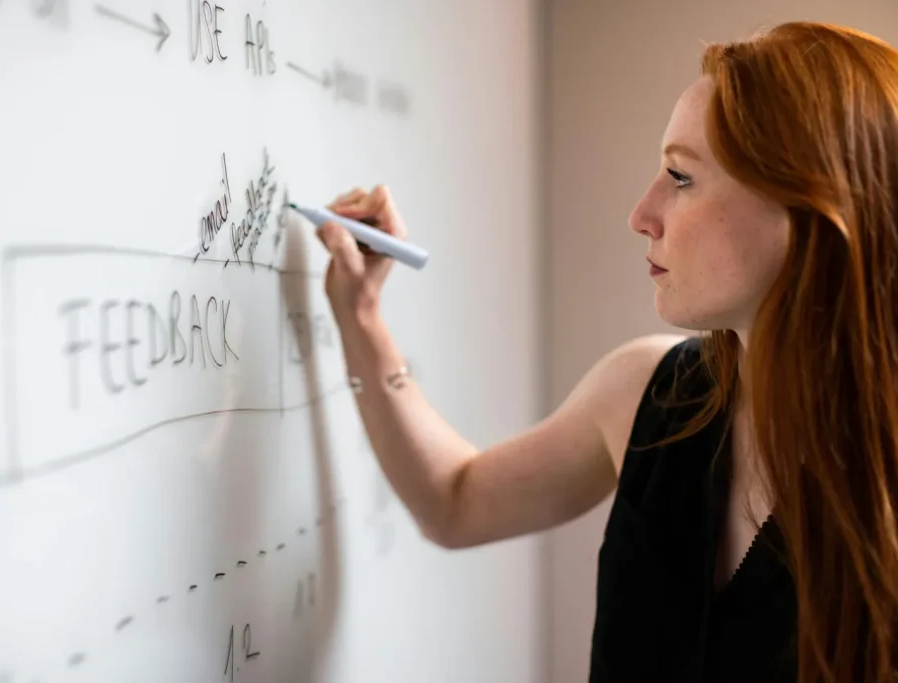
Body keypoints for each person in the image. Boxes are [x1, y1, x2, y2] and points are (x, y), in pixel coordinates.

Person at [314, 20, 898, 683]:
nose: (642, 213)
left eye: (680, 176)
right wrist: (362, 318)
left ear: (807, 211)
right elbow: (454, 500)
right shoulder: (650, 393)